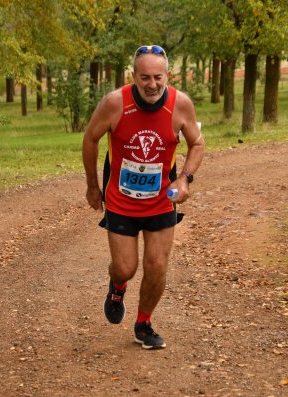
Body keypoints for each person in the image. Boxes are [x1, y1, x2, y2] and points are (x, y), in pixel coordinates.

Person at [82, 45, 204, 349]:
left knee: (157, 266)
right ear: (133, 75)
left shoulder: (180, 105)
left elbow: (197, 144)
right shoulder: (115, 103)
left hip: (162, 199)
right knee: (126, 267)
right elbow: (90, 139)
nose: (152, 84)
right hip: (121, 201)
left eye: (158, 77)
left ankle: (143, 324)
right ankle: (117, 285)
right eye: (145, 77)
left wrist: (185, 178)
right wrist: (92, 186)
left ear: (168, 75)